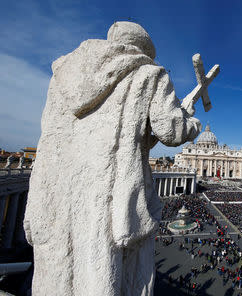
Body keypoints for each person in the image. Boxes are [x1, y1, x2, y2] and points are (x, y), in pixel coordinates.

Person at [24, 21, 202, 296]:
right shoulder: (149, 73)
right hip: (108, 198)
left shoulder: (61, 77)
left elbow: (133, 134)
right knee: (107, 276)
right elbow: (170, 128)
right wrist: (191, 123)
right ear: (145, 49)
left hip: (56, 195)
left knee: (58, 274)